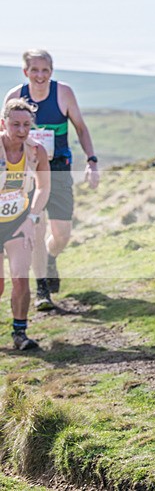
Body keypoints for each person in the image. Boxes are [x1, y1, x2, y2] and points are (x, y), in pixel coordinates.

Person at [4, 50, 100, 311]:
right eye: (34, 70)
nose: (40, 75)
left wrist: (92, 162)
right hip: (27, 173)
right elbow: (4, 133)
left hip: (58, 169)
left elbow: (80, 128)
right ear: (26, 72)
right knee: (35, 226)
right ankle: (42, 290)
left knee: (61, 234)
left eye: (45, 70)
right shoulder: (14, 96)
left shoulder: (63, 93)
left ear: (51, 72)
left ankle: (50, 257)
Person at [0, 99, 51, 349]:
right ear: (3, 123)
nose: (21, 131)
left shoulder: (35, 151)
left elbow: (44, 187)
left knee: (21, 278)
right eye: (15, 124)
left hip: (17, 222)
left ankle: (20, 334)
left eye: (26, 125)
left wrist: (32, 218)